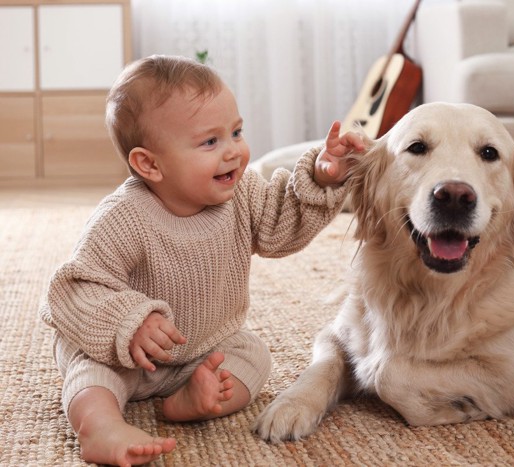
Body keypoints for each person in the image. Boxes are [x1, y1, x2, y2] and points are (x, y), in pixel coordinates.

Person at [39, 54, 365, 466]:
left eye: (236, 132)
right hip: (125, 354)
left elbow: (283, 226)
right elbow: (73, 289)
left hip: (204, 348)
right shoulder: (124, 217)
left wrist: (322, 179)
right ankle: (99, 428)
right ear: (149, 164)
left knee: (254, 358)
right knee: (90, 374)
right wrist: (129, 322)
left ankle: (186, 400)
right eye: (211, 142)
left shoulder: (243, 194)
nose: (233, 152)